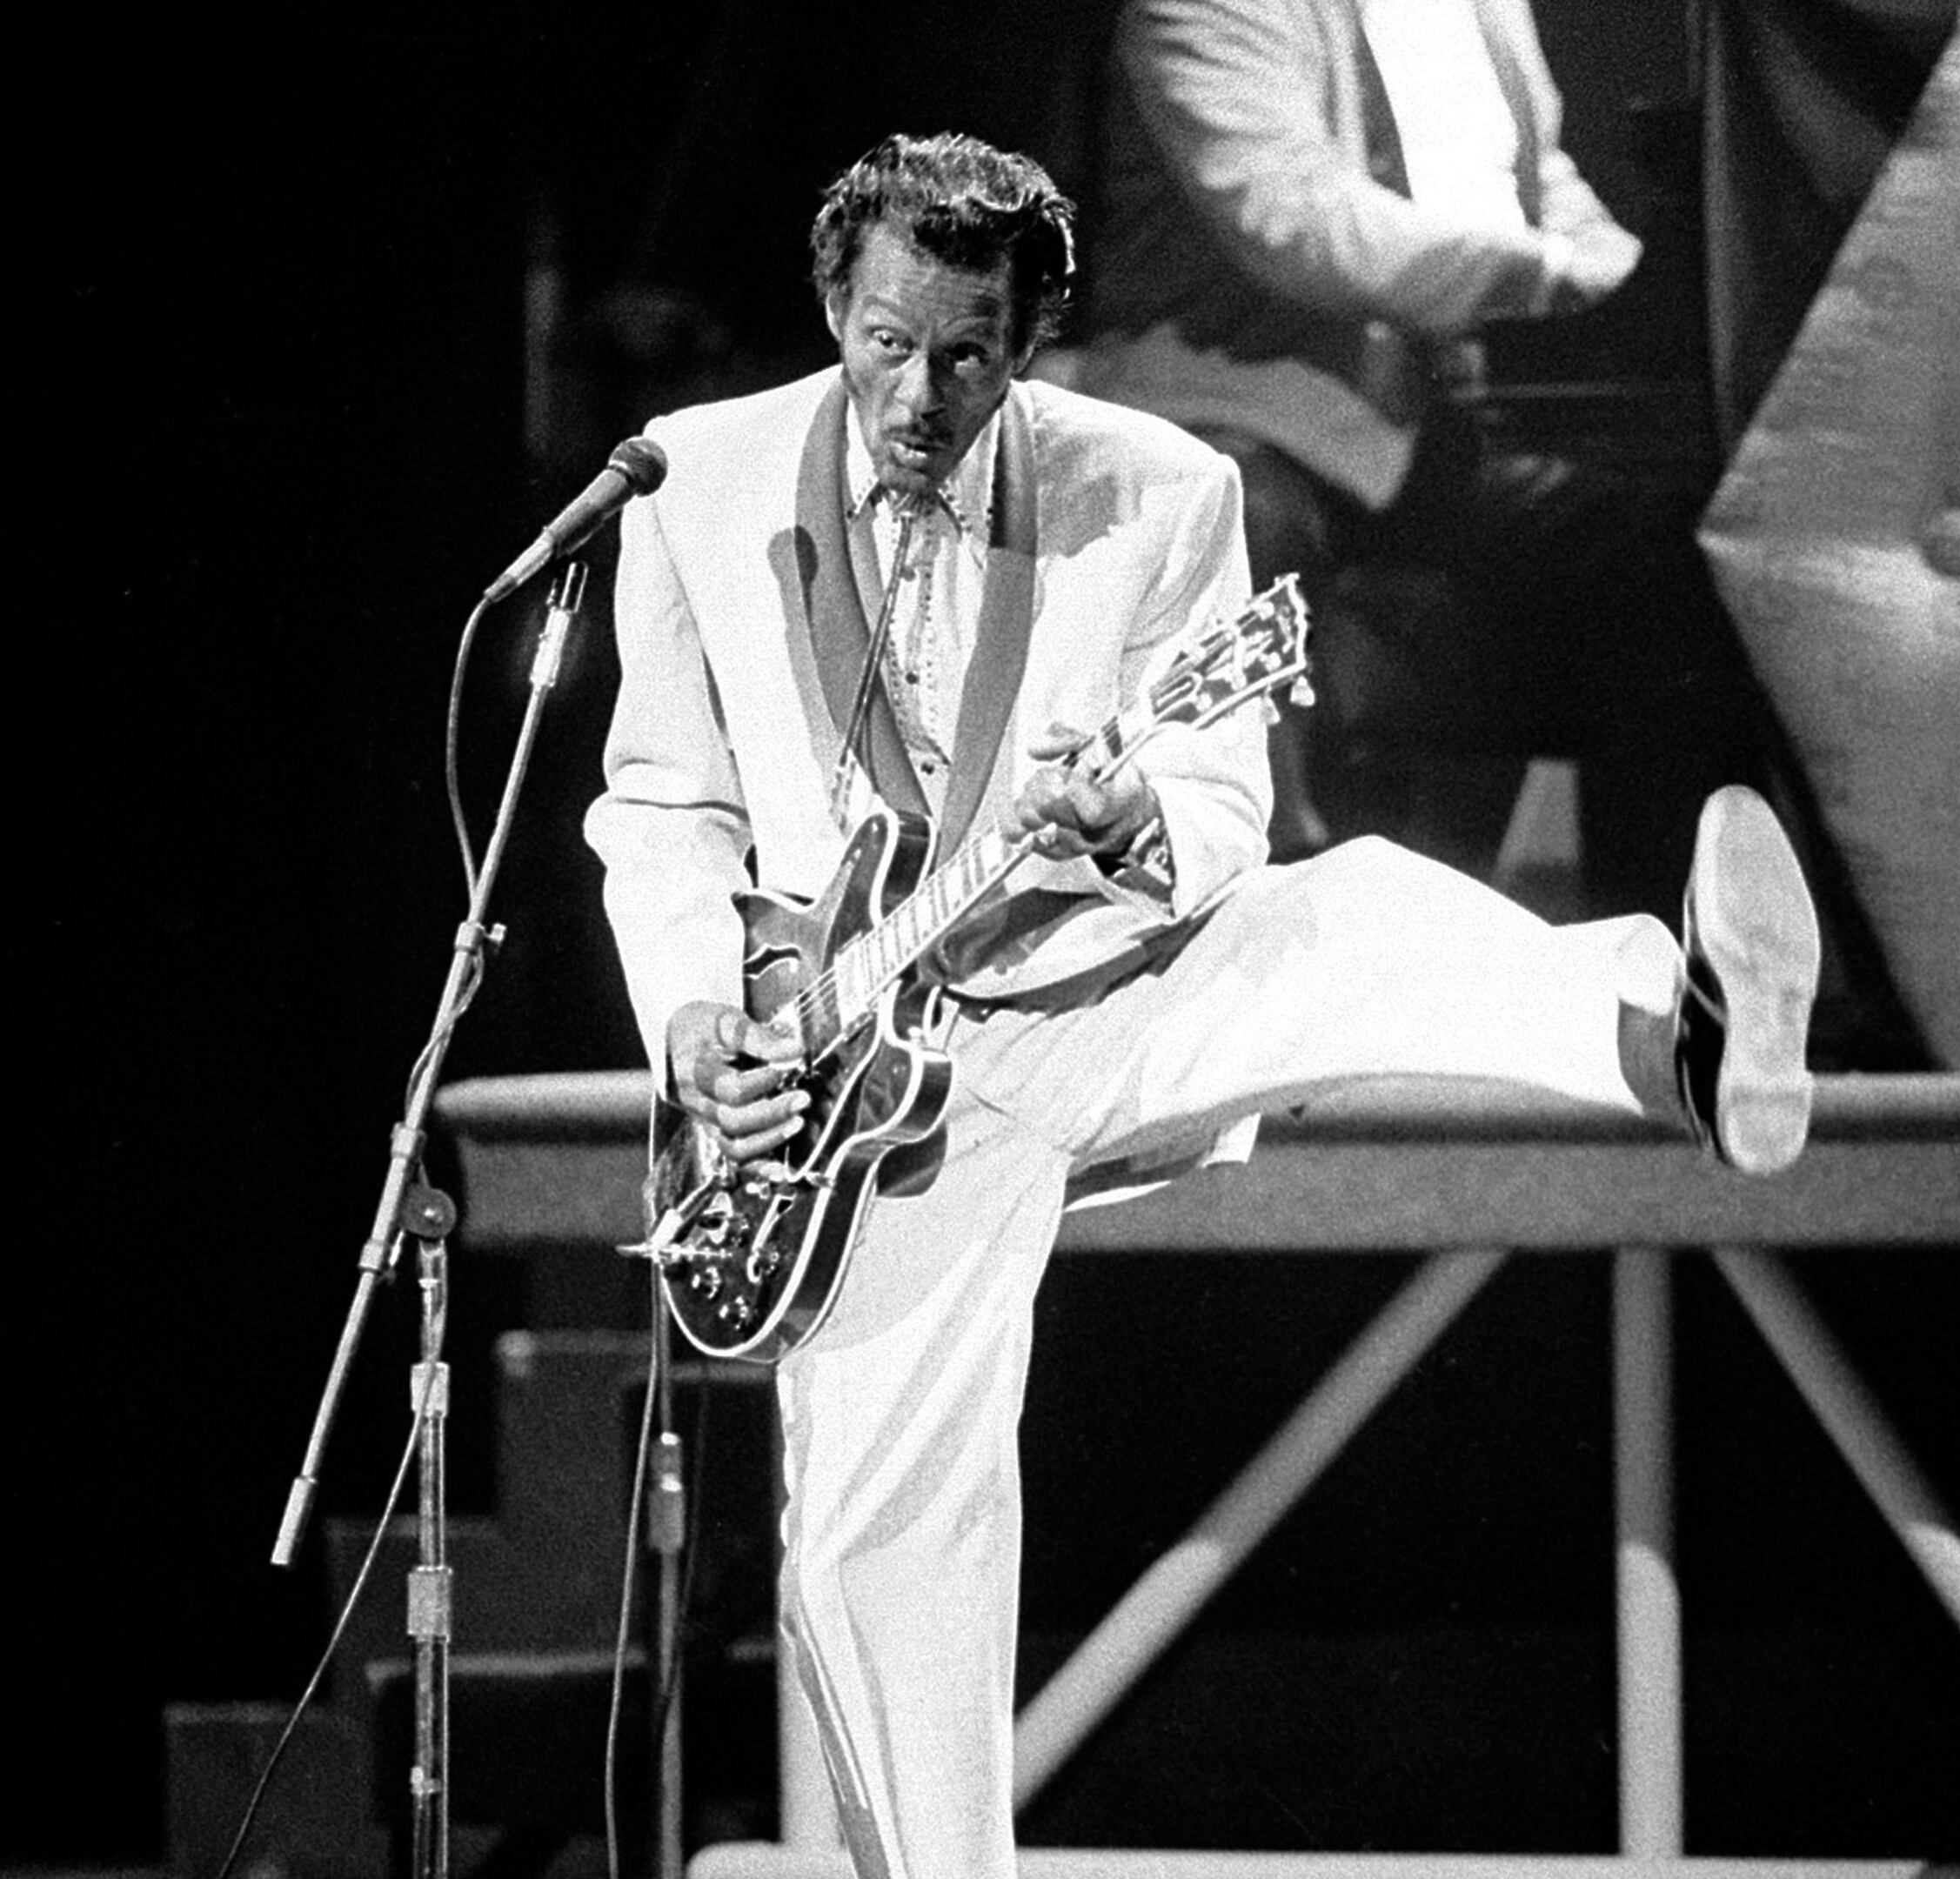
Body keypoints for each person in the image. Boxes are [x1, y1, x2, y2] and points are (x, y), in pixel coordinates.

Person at [584, 131, 1816, 1879]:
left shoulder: (1160, 490)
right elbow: (664, 806)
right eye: (886, 343)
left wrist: (1137, 819)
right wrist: (703, 1023)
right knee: (873, 1551)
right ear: (832, 305)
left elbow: (1225, 800)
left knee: (1344, 915)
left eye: (970, 357)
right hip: (840, 1102)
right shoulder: (691, 486)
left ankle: (1665, 1021)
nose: (922, 394)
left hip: (1087, 990)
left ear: (1033, 341)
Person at [1072, 0, 1743, 913]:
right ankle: (1248, 943)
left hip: (1423, 440)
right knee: (1241, 523)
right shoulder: (1204, 8)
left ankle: (1652, 978)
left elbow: (1542, 185)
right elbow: (1295, 216)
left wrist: (1642, 277)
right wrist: (1547, 274)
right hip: (1235, 424)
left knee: (1662, 549)